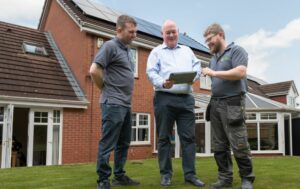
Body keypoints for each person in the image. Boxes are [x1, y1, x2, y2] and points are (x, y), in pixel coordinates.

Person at [147, 19, 205, 188]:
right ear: (162, 34)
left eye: (173, 31)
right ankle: (166, 175)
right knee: (164, 138)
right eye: (168, 32)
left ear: (178, 32)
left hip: (186, 99)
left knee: (189, 138)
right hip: (164, 98)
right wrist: (162, 82)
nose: (171, 35)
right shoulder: (156, 52)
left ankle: (190, 175)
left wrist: (193, 76)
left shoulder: (187, 51)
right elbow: (150, 72)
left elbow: (197, 66)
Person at [202, 23, 255, 189]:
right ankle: (225, 178)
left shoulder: (236, 51)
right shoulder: (213, 59)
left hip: (232, 103)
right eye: (206, 41)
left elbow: (240, 73)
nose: (208, 43)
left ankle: (247, 178)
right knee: (219, 145)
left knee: (239, 143)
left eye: (210, 39)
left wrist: (214, 73)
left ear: (220, 35)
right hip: (215, 103)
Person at [90, 15, 140, 189]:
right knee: (108, 143)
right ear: (119, 30)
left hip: (125, 105)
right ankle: (103, 180)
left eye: (136, 32)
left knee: (124, 142)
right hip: (113, 103)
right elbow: (94, 70)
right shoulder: (110, 46)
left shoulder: (126, 50)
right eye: (131, 32)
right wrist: (104, 88)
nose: (134, 35)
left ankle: (119, 175)